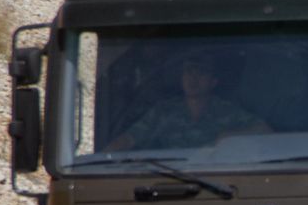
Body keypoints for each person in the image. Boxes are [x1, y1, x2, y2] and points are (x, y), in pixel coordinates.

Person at [106, 53, 267, 151]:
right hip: (168, 181)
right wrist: (102, 157)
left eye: (201, 72)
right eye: (188, 71)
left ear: (213, 81)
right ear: (181, 78)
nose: (193, 78)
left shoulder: (226, 110)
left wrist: (228, 138)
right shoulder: (163, 111)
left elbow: (265, 131)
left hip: (216, 179)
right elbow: (127, 140)